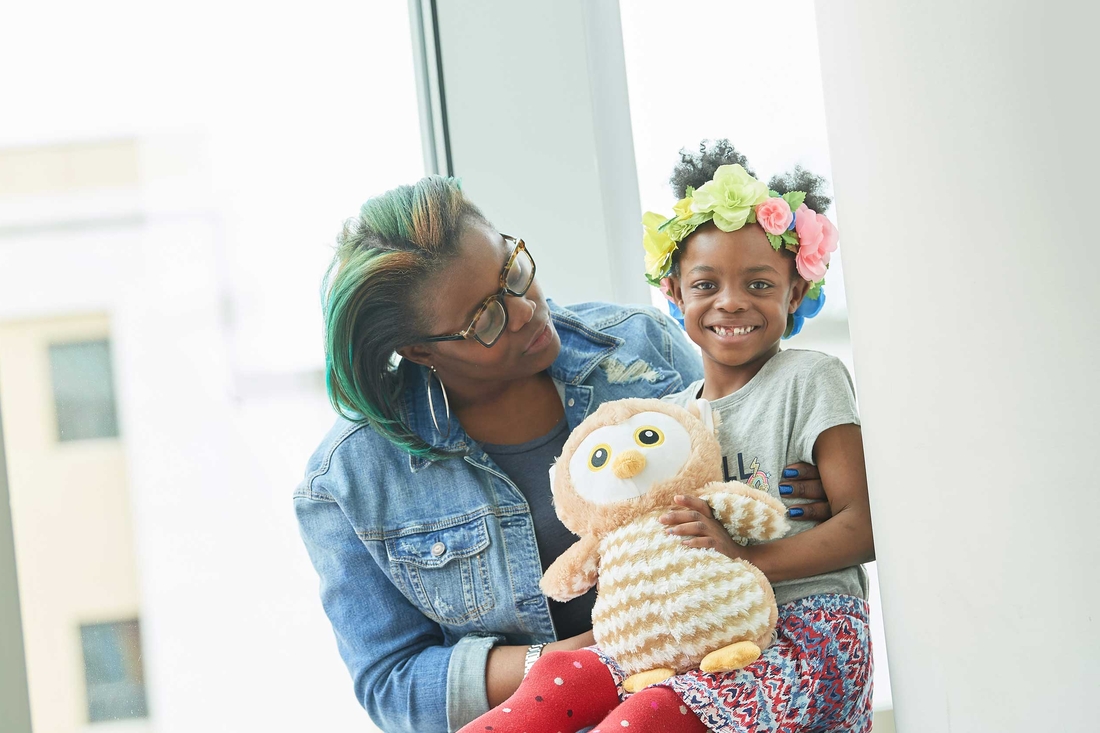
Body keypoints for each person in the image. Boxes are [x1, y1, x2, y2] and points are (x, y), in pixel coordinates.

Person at [294, 174, 832, 733]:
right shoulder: (346, 482)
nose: (525, 309)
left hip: (723, 696)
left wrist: (794, 480)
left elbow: (738, 457)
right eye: (485, 319)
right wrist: (594, 657)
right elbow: (394, 684)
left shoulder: (640, 346)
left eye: (514, 271)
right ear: (418, 349)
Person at [462, 141, 875, 733]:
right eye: (706, 284)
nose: (730, 301)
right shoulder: (669, 419)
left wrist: (743, 558)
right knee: (571, 675)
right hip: (698, 624)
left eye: (759, 285)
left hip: (807, 624)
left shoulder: (811, 379)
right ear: (675, 294)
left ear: (796, 293)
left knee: (652, 710)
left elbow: (864, 525)